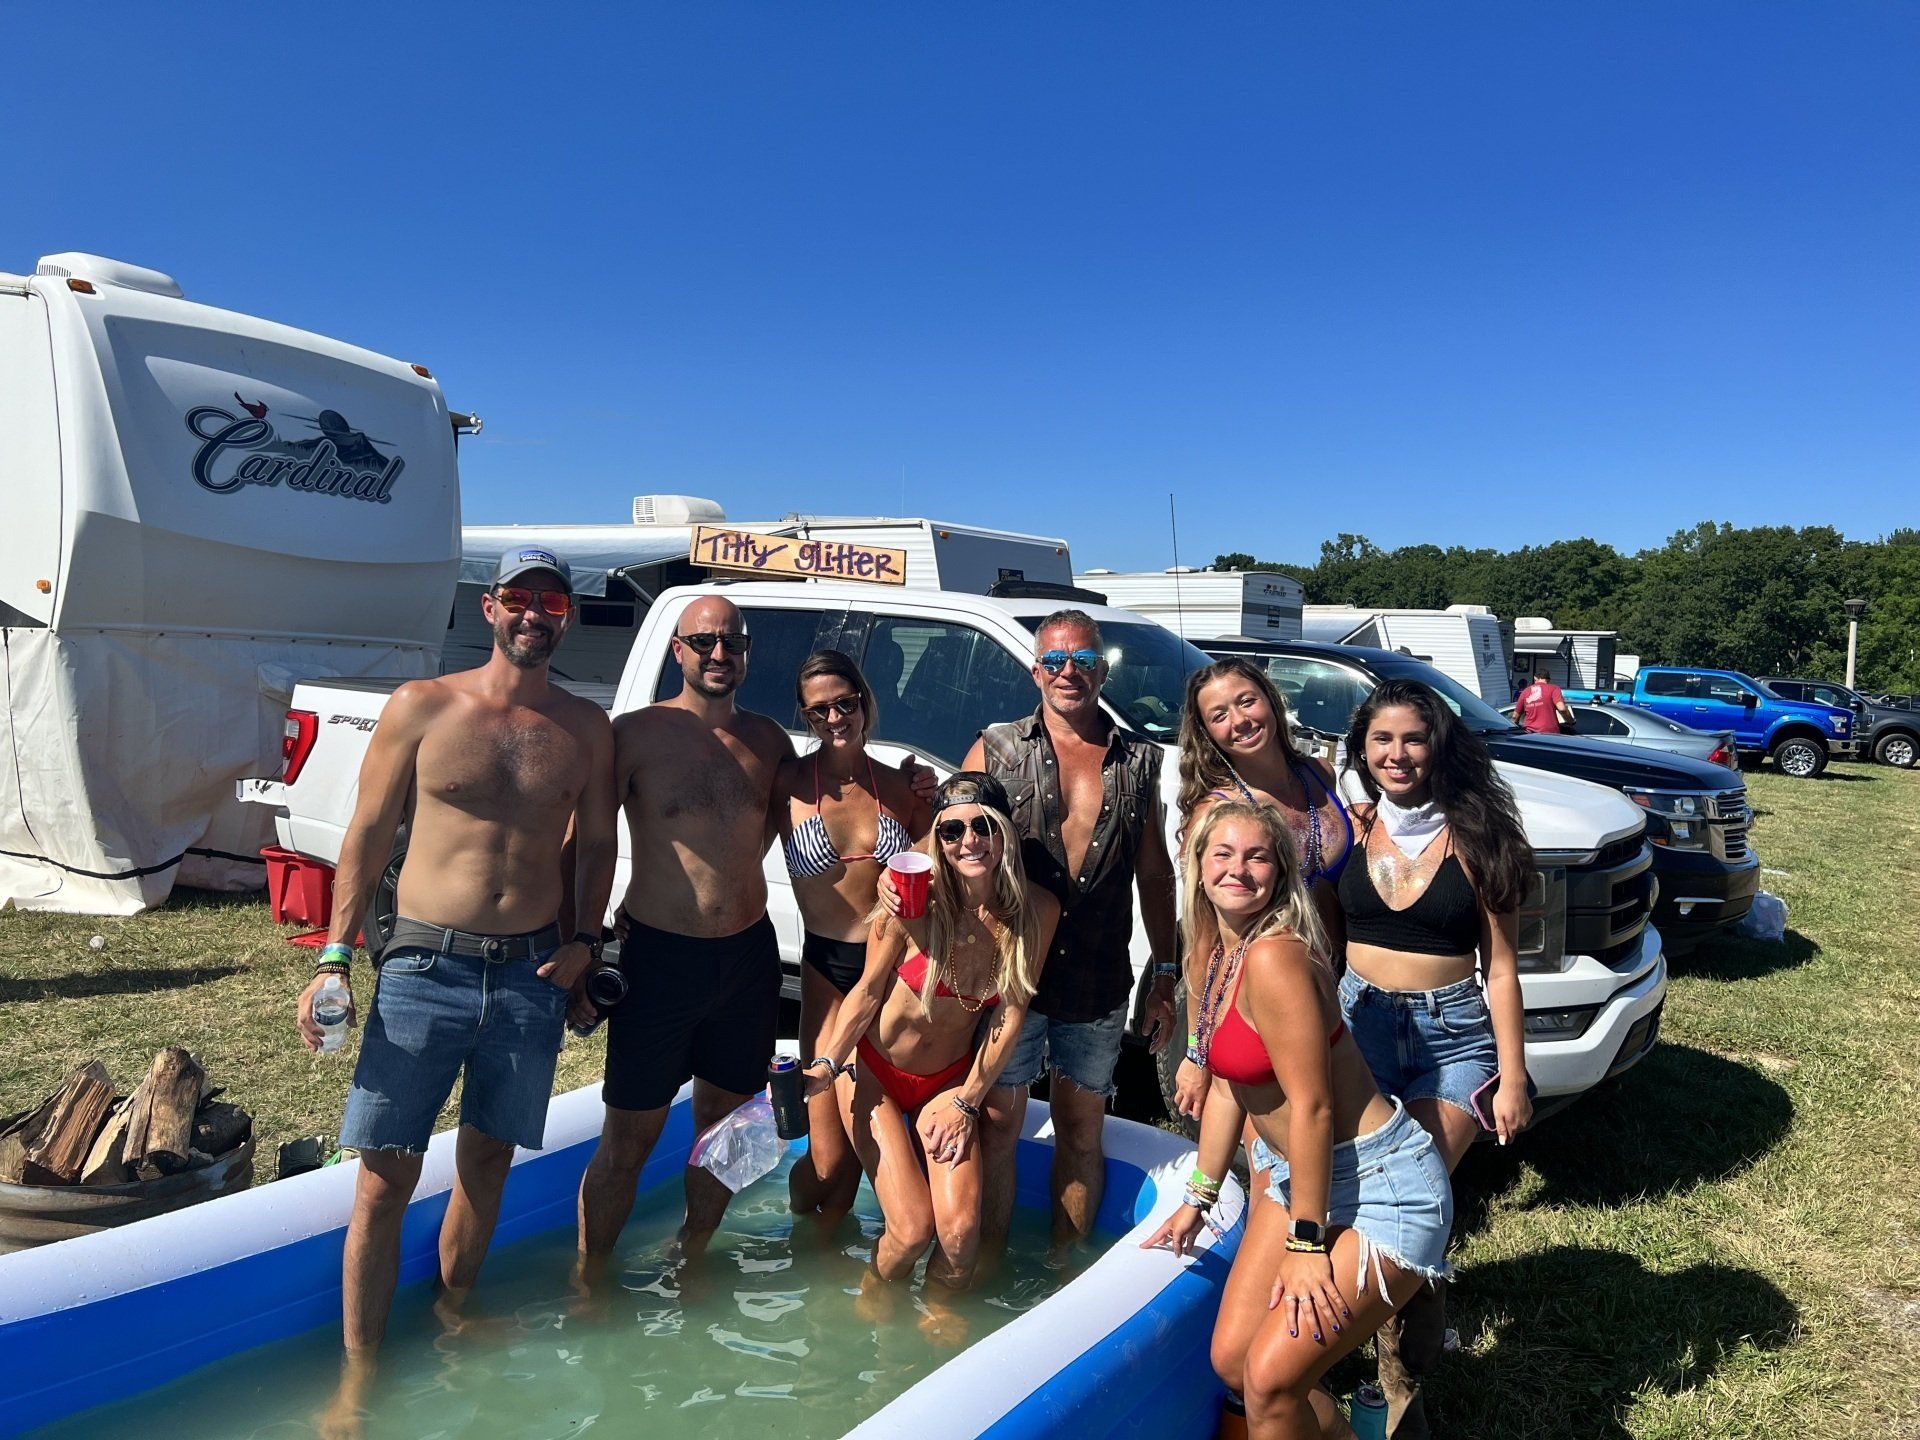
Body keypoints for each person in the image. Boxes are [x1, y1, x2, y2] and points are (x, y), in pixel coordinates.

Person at [294, 547, 616, 1438]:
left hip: (530, 972)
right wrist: (333, 956)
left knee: (487, 1161)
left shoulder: (587, 729)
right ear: (490, 607)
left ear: (567, 617)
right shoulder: (422, 707)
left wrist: (586, 942)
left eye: (551, 601)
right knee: (383, 1179)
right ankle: (359, 1380)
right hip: (423, 966)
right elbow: (363, 835)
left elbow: (594, 849)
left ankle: (451, 1317)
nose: (534, 614)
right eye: (520, 598)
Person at [574, 596, 933, 1276]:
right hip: (660, 957)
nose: (718, 653)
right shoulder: (635, 734)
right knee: (629, 1138)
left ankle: (694, 1257)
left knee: (730, 1131)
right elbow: (587, 839)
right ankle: (589, 1281)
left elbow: (770, 828)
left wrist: (923, 787)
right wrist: (585, 935)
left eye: (731, 642)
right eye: (703, 641)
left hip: (745, 958)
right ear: (678, 649)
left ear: (746, 652)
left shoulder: (769, 744)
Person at [1141, 801, 1452, 1440]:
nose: (1238, 869)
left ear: (1281, 871)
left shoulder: (1274, 957)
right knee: (1234, 1361)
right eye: (1222, 854)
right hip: (1297, 1174)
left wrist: (1307, 1244)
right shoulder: (1217, 951)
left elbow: (1313, 1107)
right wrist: (1198, 1196)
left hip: (1379, 1187)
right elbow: (1230, 1082)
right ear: (1197, 865)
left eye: (1257, 856)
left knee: (1270, 1382)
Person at [1335, 677, 1535, 1437]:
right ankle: (1386, 1353)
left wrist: (1512, 1077)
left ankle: (1400, 1390)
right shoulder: (1349, 827)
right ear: (1362, 749)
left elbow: (1506, 969)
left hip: (1453, 1040)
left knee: (1412, 1201)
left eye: (1413, 738)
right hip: (1359, 1029)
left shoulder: (1482, 837)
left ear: (1438, 745)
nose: (1397, 754)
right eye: (1381, 740)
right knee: (1362, 1200)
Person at [958, 608, 1179, 1255]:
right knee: (998, 1126)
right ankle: (990, 1268)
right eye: (1055, 661)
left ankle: (1063, 1277)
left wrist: (1163, 974)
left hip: (1099, 979)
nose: (1068, 673)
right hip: (1011, 979)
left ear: (1102, 671)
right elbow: (951, 838)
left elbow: (1155, 875)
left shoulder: (1138, 761)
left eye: (1082, 661)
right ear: (1035, 670)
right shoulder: (996, 748)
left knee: (1082, 1131)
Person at [810, 773, 1059, 1339]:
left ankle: (936, 1321)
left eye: (983, 826)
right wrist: (827, 1063)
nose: (969, 840)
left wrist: (969, 1100)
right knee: (911, 1230)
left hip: (947, 1084)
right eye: (952, 830)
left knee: (961, 1239)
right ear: (937, 840)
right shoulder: (910, 898)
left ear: (1005, 833)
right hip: (872, 1071)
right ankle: (873, 1301)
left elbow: (1009, 1013)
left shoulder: (1035, 912)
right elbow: (869, 990)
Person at [776, 649, 931, 1218]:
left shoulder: (899, 788)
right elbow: (728, 853)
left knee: (880, 1147)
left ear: (864, 703)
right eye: (819, 712)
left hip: (890, 976)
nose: (835, 719)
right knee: (828, 1163)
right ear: (804, 716)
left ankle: (843, 1265)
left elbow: (950, 859)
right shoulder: (787, 784)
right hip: (826, 976)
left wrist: (932, 797)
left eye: (846, 704)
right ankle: (799, 1240)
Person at [1512, 667, 1573, 735]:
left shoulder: (1525, 692)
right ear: (1548, 680)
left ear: (1535, 678)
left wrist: (1516, 730)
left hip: (1530, 735)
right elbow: (1562, 708)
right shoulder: (1554, 688)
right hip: (1550, 734)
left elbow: (1515, 716)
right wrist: (1570, 721)